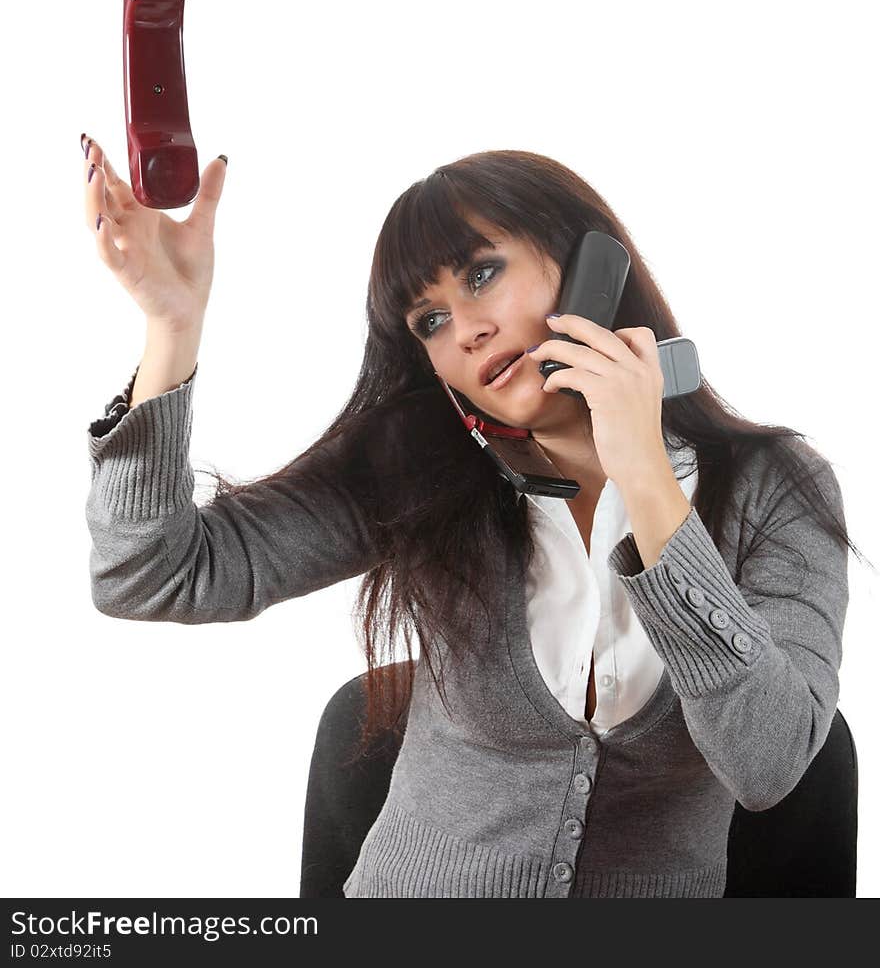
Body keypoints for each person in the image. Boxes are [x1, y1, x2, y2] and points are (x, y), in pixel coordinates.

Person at [82, 136, 859, 898]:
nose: (466, 329)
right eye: (429, 321)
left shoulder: (777, 489)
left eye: (482, 275)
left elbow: (773, 762)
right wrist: (171, 328)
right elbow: (148, 575)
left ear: (591, 265)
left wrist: (645, 475)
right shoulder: (416, 466)